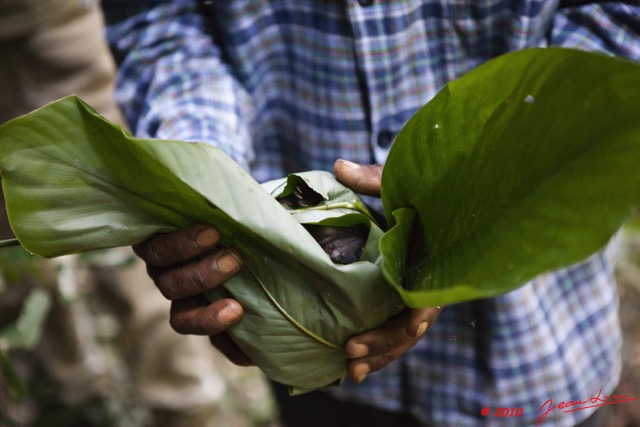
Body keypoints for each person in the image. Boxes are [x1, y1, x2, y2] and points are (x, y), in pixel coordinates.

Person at [103, 1, 640, 426]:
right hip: (311, 332)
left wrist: (479, 188)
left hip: (534, 350)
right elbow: (160, 22)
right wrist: (204, 188)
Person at [0, 1, 239, 425]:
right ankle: (69, 390)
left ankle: (185, 401)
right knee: (14, 244)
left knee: (127, 208)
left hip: (49, 17)